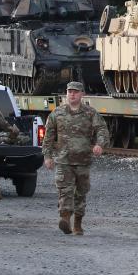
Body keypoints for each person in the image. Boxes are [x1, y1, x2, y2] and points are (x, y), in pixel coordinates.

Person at [42, 81, 109, 235]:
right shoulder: (57, 113)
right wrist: (47, 156)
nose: (72, 94)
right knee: (64, 190)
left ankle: (78, 223)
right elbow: (48, 137)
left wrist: (100, 145)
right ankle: (65, 219)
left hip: (83, 160)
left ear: (82, 94)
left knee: (80, 193)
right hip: (63, 160)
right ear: (66, 94)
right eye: (69, 92)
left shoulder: (90, 113)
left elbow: (102, 130)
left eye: (75, 92)